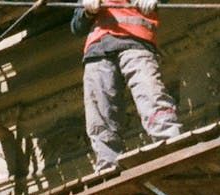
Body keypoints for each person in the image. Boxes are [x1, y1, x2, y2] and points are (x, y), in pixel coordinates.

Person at [71, 0, 182, 171]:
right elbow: (77, 26)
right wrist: (87, 11)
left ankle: (169, 142)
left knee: (150, 95)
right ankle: (108, 166)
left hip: (135, 42)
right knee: (100, 114)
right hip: (98, 51)